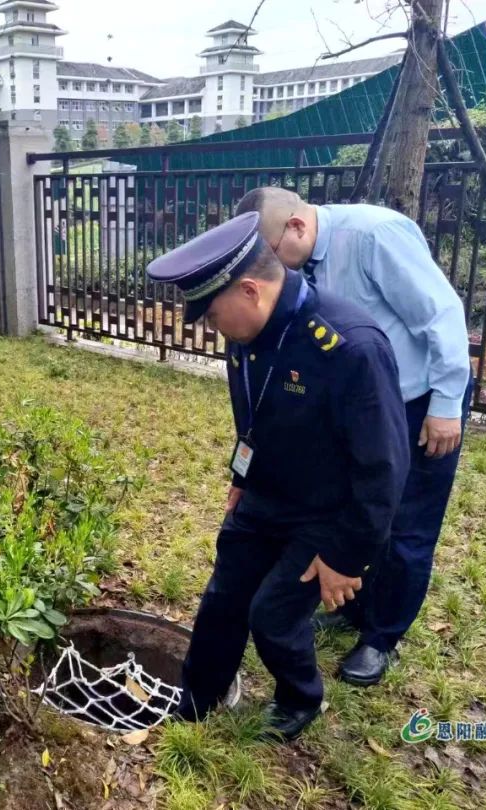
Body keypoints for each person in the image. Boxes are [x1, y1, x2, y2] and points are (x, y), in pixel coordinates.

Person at [148, 211, 409, 740]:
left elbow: (384, 469)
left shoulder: (349, 347)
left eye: (213, 316)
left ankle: (300, 697)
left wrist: (345, 557)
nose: (212, 329)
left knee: (272, 614)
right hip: (266, 496)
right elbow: (254, 414)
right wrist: (241, 476)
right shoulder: (247, 333)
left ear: (250, 290)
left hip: (325, 515)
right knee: (224, 596)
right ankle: (198, 696)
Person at [235, 188, 472, 686]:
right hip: (360, 408)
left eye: (270, 256)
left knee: (407, 523)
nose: (269, 271)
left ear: (296, 227)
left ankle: (382, 637)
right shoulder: (301, 264)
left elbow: (442, 313)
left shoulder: (372, 236)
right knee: (357, 508)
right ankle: (355, 606)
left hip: (418, 400)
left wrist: (447, 404)